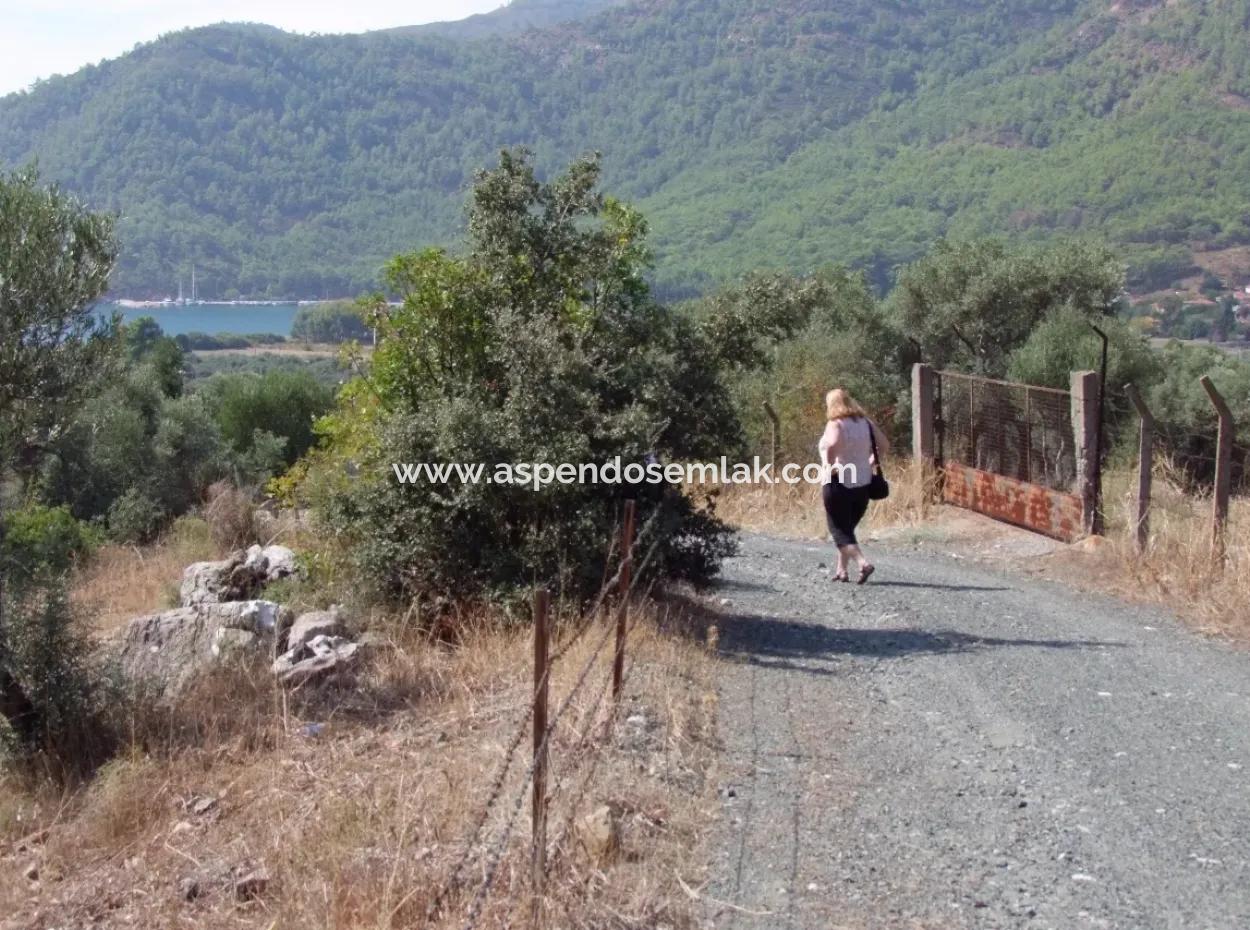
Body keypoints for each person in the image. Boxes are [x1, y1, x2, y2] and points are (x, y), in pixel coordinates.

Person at [818, 388, 889, 584]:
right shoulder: (865, 422)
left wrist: (830, 465)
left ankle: (863, 563)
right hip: (863, 484)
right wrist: (870, 462)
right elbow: (884, 445)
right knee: (847, 529)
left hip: (838, 483)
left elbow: (832, 444)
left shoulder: (836, 423)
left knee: (839, 531)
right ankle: (841, 570)